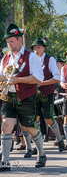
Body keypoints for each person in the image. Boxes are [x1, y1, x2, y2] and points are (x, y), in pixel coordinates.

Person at [0, 23, 46, 171]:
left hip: (27, 97)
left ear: (20, 40)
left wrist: (18, 80)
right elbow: (3, 76)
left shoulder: (31, 56)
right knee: (6, 125)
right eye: (7, 42)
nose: (9, 44)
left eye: (12, 41)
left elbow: (38, 78)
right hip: (9, 97)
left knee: (30, 128)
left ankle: (41, 154)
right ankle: (5, 161)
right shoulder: (5, 58)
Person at [31, 38, 64, 152]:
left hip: (47, 93)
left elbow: (56, 77)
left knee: (48, 119)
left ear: (43, 48)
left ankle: (59, 139)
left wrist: (41, 83)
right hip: (34, 94)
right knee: (36, 119)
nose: (36, 50)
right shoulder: (31, 61)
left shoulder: (50, 59)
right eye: (34, 48)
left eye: (38, 47)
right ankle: (37, 145)